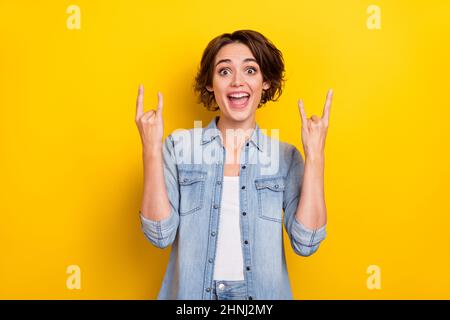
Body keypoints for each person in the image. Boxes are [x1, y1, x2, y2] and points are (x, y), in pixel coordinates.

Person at [135, 30, 333, 300]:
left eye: (250, 70)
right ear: (210, 83)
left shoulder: (286, 157)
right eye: (225, 72)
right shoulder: (178, 148)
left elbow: (306, 242)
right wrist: (150, 148)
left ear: (265, 82)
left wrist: (316, 156)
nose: (238, 82)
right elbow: (159, 234)